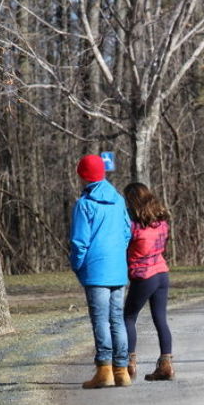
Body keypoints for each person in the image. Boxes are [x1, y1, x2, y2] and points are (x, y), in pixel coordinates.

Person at [70, 154, 132, 388]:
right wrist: (117, 252)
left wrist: (77, 265)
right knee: (117, 319)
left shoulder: (84, 204)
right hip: (118, 269)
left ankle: (104, 370)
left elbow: (79, 242)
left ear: (83, 175)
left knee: (100, 321)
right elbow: (127, 232)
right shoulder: (118, 199)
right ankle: (122, 371)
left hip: (95, 271)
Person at [122, 182, 175, 381]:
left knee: (128, 317)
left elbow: (124, 245)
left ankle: (129, 363)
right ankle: (166, 364)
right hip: (162, 272)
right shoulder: (162, 223)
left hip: (144, 276)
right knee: (160, 319)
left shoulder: (133, 226)